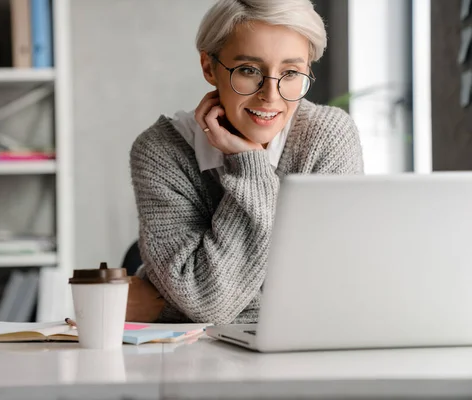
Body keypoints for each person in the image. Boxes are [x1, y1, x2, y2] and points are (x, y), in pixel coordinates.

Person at [126, 0, 364, 325]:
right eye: (249, 70)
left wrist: (164, 306)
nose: (271, 95)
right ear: (209, 68)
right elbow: (207, 302)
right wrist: (249, 165)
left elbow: (332, 296)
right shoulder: (162, 149)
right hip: (189, 361)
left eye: (291, 72)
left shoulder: (327, 136)